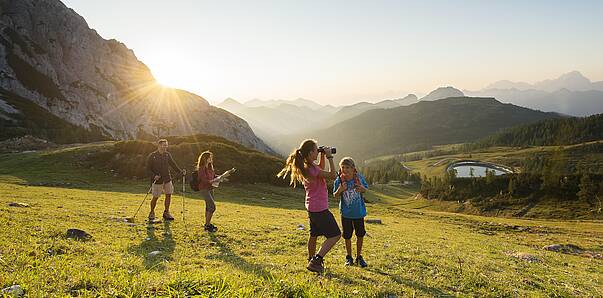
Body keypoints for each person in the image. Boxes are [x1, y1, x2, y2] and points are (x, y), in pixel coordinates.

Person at [277, 139, 340, 273]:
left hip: (312, 207)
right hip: (320, 208)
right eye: (317, 150)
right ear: (311, 153)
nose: (318, 152)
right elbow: (333, 176)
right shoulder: (311, 169)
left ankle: (310, 258)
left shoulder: (308, 166)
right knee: (335, 235)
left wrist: (322, 155)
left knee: (314, 235)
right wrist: (329, 157)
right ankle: (316, 260)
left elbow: (319, 169)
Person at [333, 157, 369, 267]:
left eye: (347, 167)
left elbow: (366, 189)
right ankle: (349, 257)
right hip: (346, 214)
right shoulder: (339, 180)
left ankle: (359, 257)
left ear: (353, 169)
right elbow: (335, 195)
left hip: (359, 213)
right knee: (347, 236)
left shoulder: (359, 178)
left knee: (360, 235)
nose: (345, 170)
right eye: (343, 167)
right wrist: (340, 190)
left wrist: (362, 188)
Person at [146, 139, 186, 221]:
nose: (165, 147)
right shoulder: (152, 155)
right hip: (157, 180)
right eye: (164, 145)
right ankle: (152, 212)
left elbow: (173, 164)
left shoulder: (167, 155)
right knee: (156, 197)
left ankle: (166, 212)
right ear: (159, 145)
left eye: (166, 145)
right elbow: (147, 169)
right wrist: (154, 176)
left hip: (167, 179)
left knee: (169, 194)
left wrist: (180, 172)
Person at [196, 151, 219, 232]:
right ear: (205, 158)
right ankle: (207, 225)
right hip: (204, 188)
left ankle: (207, 224)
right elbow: (204, 180)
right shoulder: (202, 168)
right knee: (212, 207)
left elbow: (213, 176)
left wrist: (221, 177)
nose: (211, 159)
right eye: (209, 157)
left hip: (210, 188)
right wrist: (212, 181)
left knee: (208, 206)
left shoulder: (210, 167)